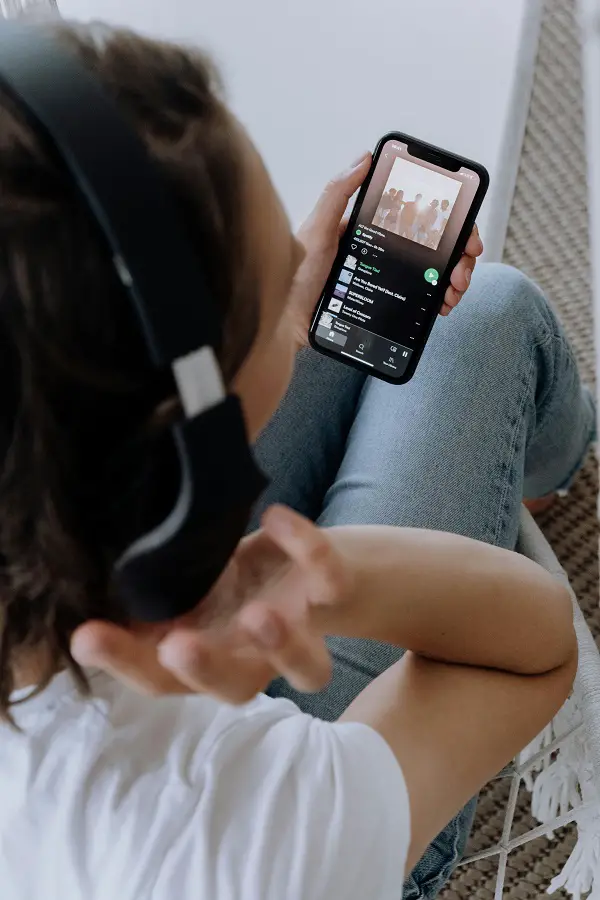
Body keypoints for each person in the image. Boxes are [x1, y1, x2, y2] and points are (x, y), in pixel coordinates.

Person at [0, 23, 590, 900]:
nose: (298, 282)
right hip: (319, 795)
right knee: (490, 315)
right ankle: (536, 483)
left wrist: (278, 315)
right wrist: (319, 581)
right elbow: (531, 652)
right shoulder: (251, 848)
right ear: (188, 462)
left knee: (442, 325)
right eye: (279, 279)